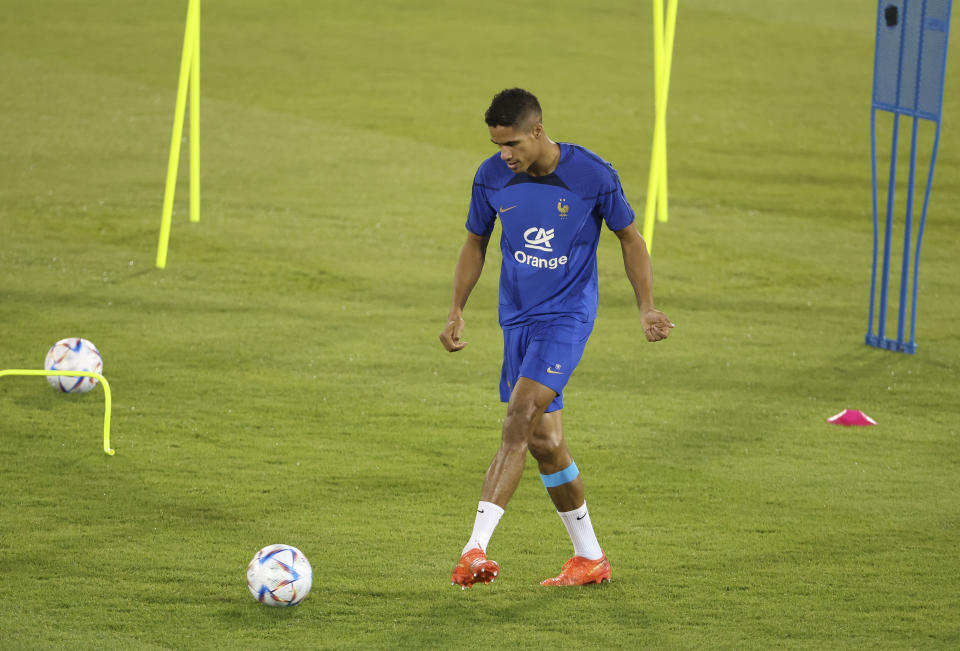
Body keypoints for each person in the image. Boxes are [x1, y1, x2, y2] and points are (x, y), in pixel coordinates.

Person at [440, 88, 673, 588]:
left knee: (519, 418)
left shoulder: (592, 175)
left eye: (514, 144)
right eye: (498, 145)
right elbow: (475, 242)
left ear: (539, 132)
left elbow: (630, 238)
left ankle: (473, 548)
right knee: (547, 443)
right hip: (517, 322)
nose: (506, 155)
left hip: (566, 319)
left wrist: (645, 306)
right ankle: (589, 559)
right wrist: (457, 309)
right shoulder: (491, 177)